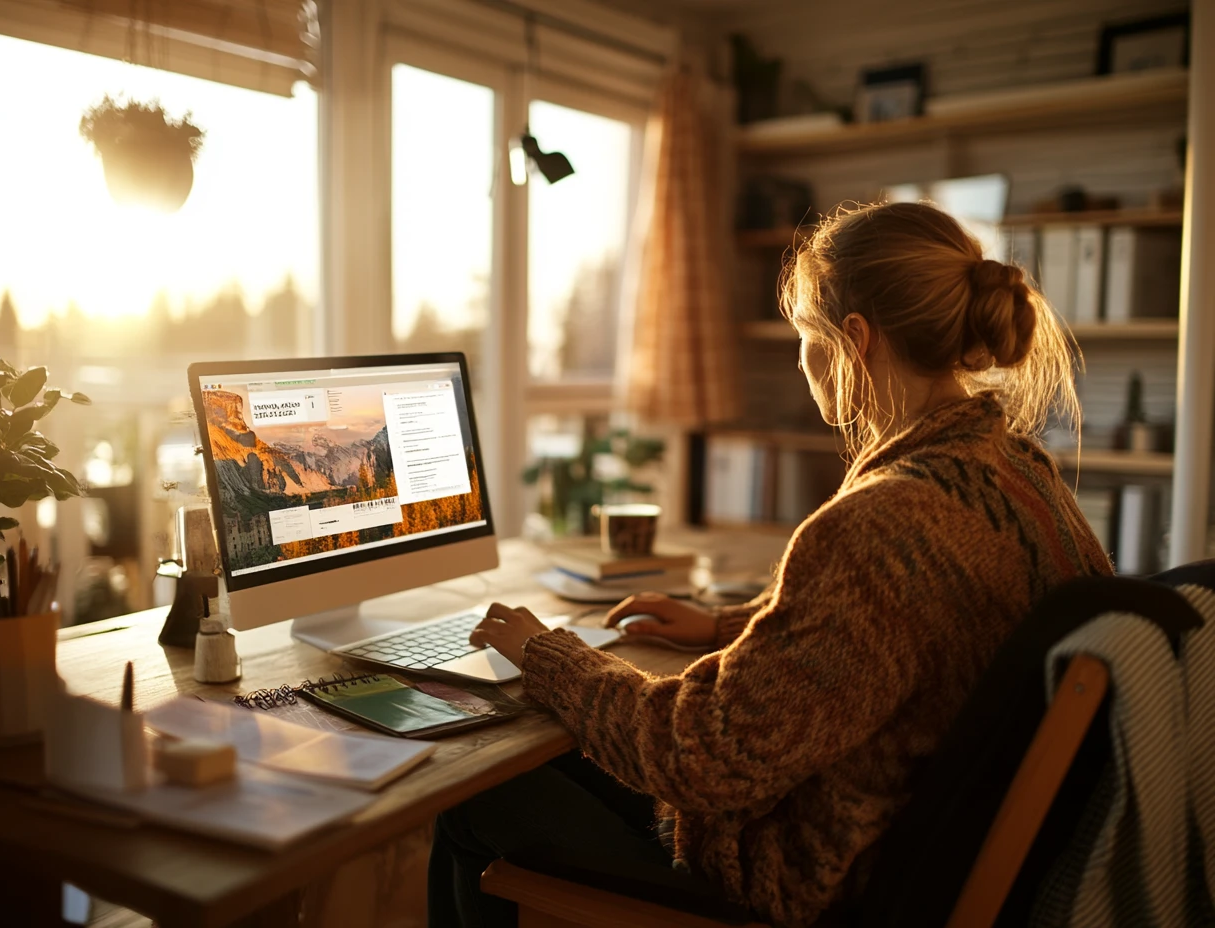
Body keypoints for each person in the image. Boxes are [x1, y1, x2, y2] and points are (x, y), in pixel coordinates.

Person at [431, 201, 1113, 928]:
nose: (798, 359)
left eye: (804, 337)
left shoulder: (881, 522)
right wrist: (730, 624)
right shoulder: (1022, 474)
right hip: (941, 857)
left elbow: (696, 755)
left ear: (855, 341)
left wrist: (548, 654)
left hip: (815, 885)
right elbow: (899, 631)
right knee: (561, 759)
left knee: (475, 797)